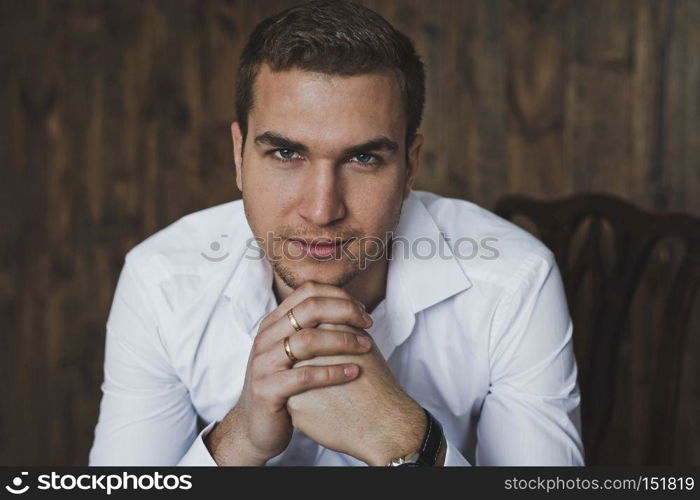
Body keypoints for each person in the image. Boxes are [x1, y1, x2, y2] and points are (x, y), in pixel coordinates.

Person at [88, 0, 584, 466]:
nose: (322, 210)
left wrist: (404, 437)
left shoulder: (514, 278)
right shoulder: (161, 279)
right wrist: (238, 439)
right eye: (286, 154)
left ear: (410, 166)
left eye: (363, 158)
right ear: (239, 156)